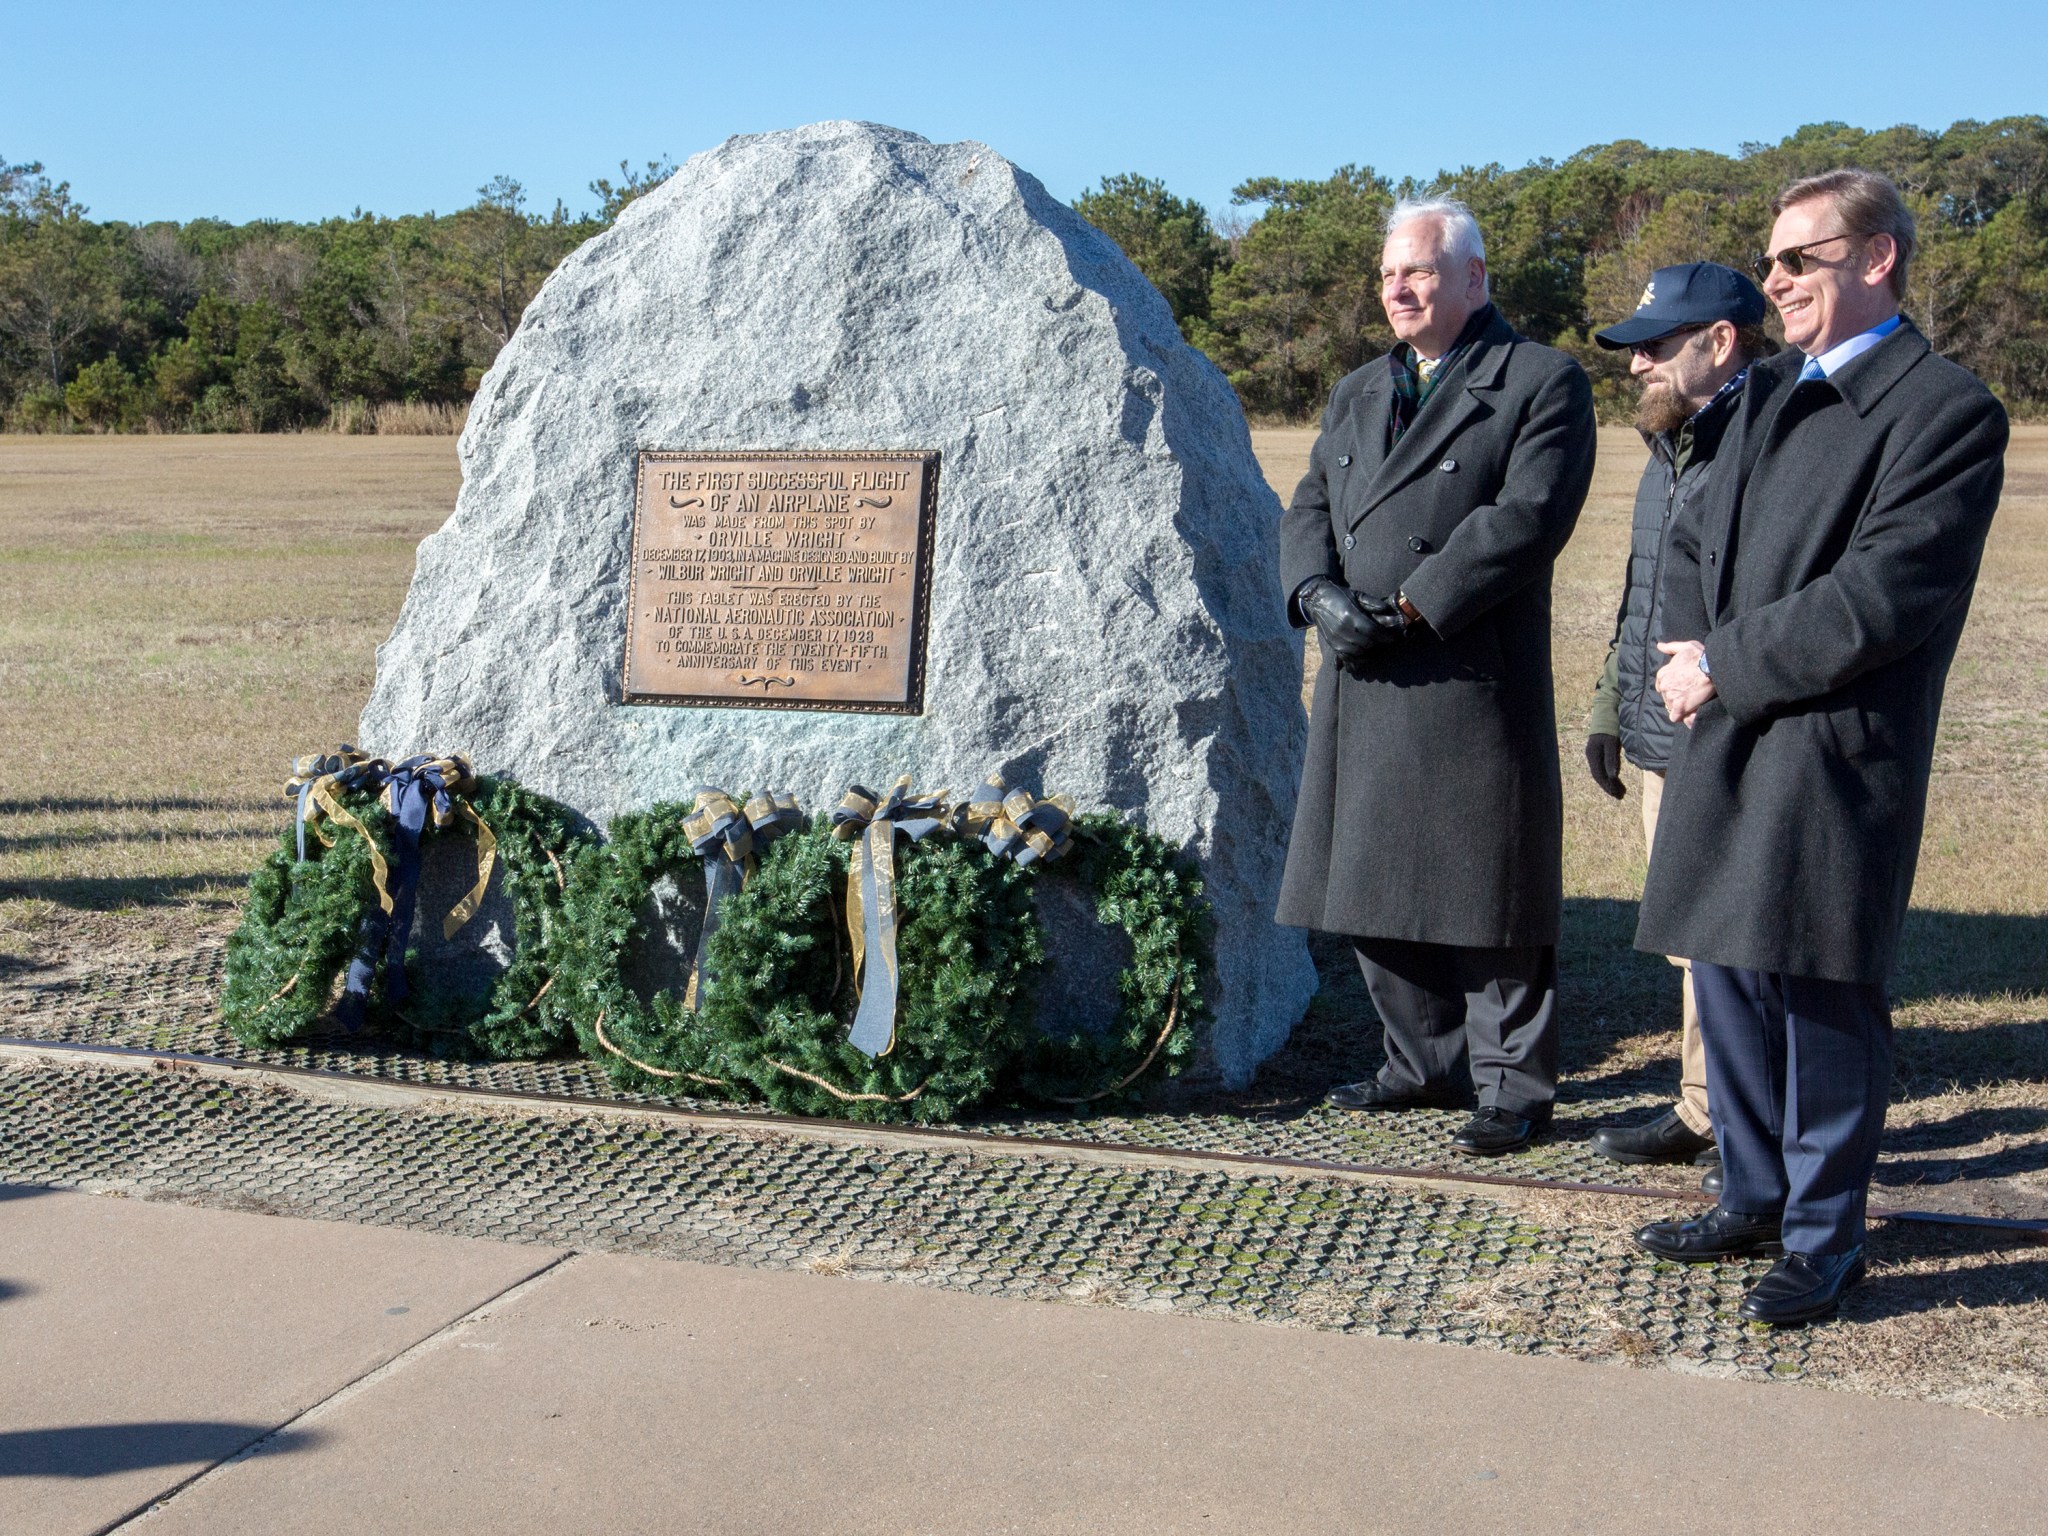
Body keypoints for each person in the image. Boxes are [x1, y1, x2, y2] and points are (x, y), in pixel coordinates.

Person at [1633, 170, 2008, 1324]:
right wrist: (1689, 649)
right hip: (1729, 726)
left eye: (1798, 259)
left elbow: (1881, 596)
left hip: (1833, 744)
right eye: (1771, 261)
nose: (1775, 281)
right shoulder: (1761, 393)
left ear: (1877, 259)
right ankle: (1747, 1192)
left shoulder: (1942, 408)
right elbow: (1689, 535)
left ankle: (1821, 1236)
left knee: (1820, 996)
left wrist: (1723, 666)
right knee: (1732, 975)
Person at [1278, 196, 1597, 1156]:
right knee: (1371, 875)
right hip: (1361, 667)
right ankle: (1419, 1064)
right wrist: (1314, 595)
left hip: (1462, 664)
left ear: (1474, 279)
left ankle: (1511, 1083)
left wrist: (1413, 605)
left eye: (1418, 271)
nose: (1399, 289)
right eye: (1387, 275)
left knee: (1485, 883)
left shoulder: (1541, 382)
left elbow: (1524, 520)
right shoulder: (1357, 389)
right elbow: (1311, 502)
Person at [1581, 263, 1772, 1191]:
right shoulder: (1675, 439)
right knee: (1689, 935)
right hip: (1662, 726)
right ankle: (1704, 1107)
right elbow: (1643, 588)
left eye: (1654, 346)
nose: (1634, 365)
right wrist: (1610, 703)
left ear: (1721, 342)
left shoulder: (1769, 433)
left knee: (1733, 937)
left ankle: (1747, 1125)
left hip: (1729, 726)